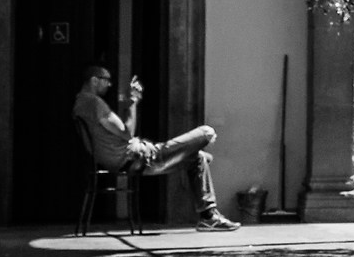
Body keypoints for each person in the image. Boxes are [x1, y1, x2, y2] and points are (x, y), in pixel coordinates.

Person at [71, 67, 239, 231]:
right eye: (106, 80)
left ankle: (208, 217)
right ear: (94, 80)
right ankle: (208, 210)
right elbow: (127, 133)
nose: (110, 84)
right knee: (206, 132)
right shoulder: (94, 103)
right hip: (137, 157)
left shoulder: (80, 103)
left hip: (127, 159)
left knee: (198, 159)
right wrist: (133, 101)